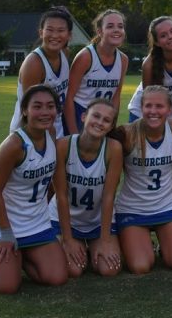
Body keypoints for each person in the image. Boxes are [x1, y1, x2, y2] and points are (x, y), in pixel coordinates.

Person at [0, 84, 68, 294]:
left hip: (37, 223)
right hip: (7, 224)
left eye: (50, 106)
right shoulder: (13, 145)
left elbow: (58, 188)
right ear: (24, 110)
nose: (45, 112)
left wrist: (67, 236)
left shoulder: (51, 133)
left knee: (57, 277)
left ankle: (20, 257)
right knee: (5, 288)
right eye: (37, 106)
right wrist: (6, 233)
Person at [114, 85, 172, 273]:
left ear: (169, 109)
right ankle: (135, 243)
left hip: (167, 206)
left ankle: (163, 244)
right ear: (141, 108)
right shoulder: (127, 133)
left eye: (159, 106)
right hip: (133, 208)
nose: (153, 111)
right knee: (140, 266)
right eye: (148, 106)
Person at [50, 98, 123, 277]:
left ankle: (94, 245)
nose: (99, 122)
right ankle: (76, 244)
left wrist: (105, 240)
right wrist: (67, 240)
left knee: (109, 270)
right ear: (83, 117)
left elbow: (108, 197)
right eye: (95, 116)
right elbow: (61, 195)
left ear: (111, 126)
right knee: (73, 270)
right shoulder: (63, 146)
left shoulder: (113, 149)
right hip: (65, 219)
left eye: (106, 120)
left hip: (97, 221)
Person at [9, 6, 73, 138]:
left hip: (55, 128)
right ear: (41, 32)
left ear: (69, 35)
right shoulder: (34, 64)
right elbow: (31, 109)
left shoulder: (64, 54)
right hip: (31, 134)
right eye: (49, 30)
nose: (55, 35)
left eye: (61, 30)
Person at [126, 16, 172, 126]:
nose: (170, 37)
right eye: (163, 35)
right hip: (145, 112)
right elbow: (150, 102)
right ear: (157, 42)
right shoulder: (149, 65)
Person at [64, 9, 129, 134]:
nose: (116, 30)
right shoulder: (86, 57)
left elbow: (116, 96)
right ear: (99, 31)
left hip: (102, 118)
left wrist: (112, 126)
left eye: (120, 26)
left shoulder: (123, 59)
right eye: (110, 26)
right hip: (80, 115)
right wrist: (73, 134)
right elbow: (69, 97)